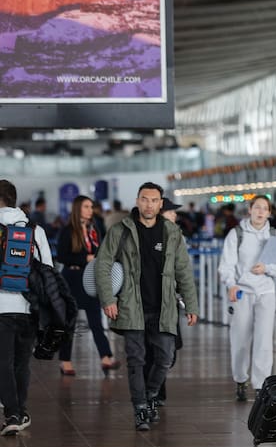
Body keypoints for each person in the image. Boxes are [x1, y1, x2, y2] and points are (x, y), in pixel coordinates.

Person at [95, 182, 199, 431]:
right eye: (144, 199)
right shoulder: (121, 230)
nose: (149, 204)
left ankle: (151, 395)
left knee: (165, 358)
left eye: (154, 200)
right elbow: (103, 264)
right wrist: (108, 299)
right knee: (136, 360)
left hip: (163, 307)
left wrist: (191, 305)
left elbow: (183, 270)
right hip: (131, 306)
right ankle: (140, 407)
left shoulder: (172, 232)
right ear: (137, 201)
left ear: (160, 204)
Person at [218, 195, 276, 401]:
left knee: (264, 340)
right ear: (249, 210)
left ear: (269, 213)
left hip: (266, 292)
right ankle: (240, 379)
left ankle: (261, 385)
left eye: (264, 208)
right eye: (257, 207)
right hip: (242, 292)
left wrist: (266, 268)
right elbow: (227, 264)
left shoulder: (275, 235)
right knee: (240, 338)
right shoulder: (237, 234)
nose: (260, 212)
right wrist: (231, 284)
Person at [0, 179, 53, 435]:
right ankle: (20, 412)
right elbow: (48, 270)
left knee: (3, 362)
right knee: (22, 362)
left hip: (1, 307)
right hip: (28, 306)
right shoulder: (35, 230)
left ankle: (12, 412)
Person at [55, 195, 121, 376]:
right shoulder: (68, 230)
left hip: (90, 278)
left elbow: (100, 250)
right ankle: (65, 361)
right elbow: (62, 256)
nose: (90, 210)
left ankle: (106, 357)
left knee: (95, 320)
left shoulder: (94, 228)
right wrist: (85, 258)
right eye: (86, 206)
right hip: (71, 278)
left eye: (91, 207)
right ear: (78, 209)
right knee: (70, 321)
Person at [143, 197, 185, 405]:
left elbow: (182, 269)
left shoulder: (177, 236)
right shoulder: (147, 237)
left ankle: (154, 392)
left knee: (168, 353)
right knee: (153, 351)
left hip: (170, 302)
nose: (174, 215)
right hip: (150, 302)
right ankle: (153, 394)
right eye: (171, 211)